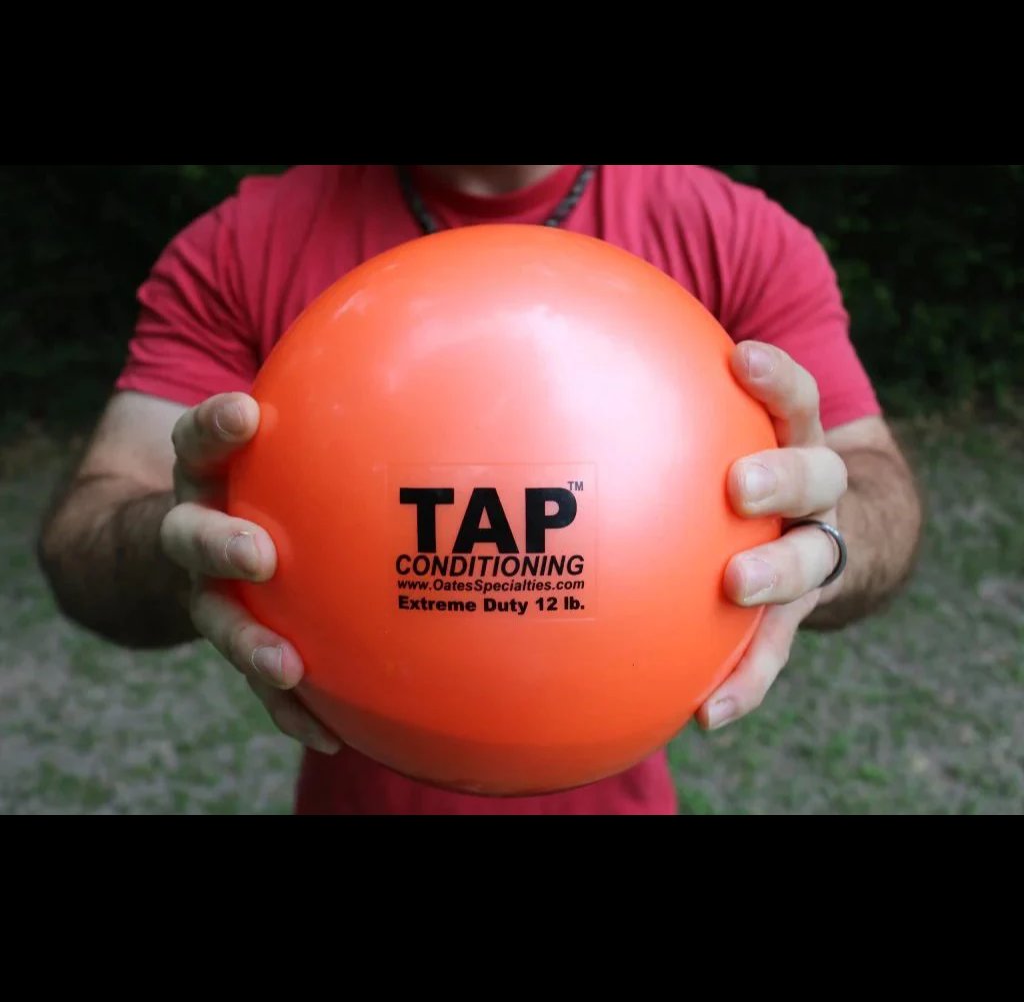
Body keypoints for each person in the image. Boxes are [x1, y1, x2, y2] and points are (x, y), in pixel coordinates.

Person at [37, 165, 923, 815]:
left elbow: (876, 488)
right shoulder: (239, 245)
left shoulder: (735, 235)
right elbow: (89, 533)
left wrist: (822, 541)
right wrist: (190, 545)